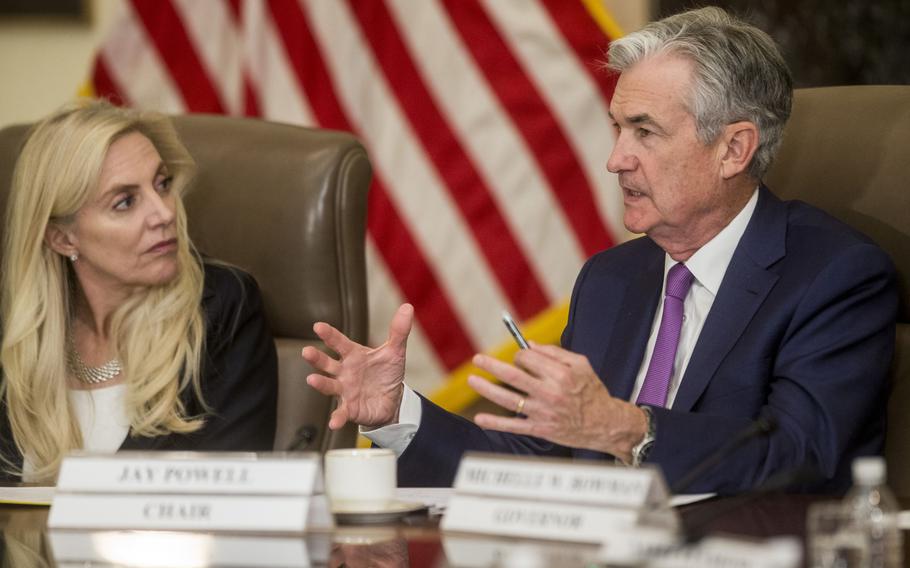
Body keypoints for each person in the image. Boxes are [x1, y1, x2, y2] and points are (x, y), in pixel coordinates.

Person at [302, 7, 898, 494]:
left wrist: (627, 429)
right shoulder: (612, 278)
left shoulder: (833, 276)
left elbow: (804, 457)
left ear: (734, 149)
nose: (616, 159)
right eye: (617, 129)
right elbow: (537, 462)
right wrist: (396, 413)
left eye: (645, 131)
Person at [0, 100, 278, 483]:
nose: (164, 213)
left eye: (162, 184)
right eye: (125, 202)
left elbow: (222, 508)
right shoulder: (16, 337)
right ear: (62, 238)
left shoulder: (222, 312)